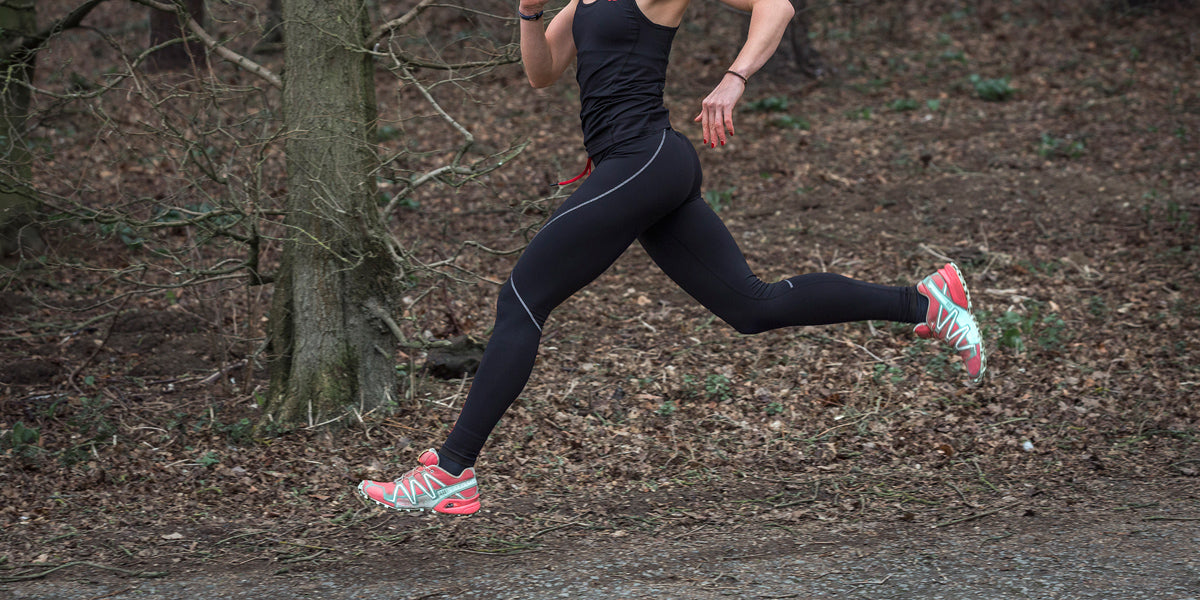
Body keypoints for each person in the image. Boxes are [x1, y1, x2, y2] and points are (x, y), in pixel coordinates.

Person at [359, 0, 986, 515]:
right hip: (637, 167)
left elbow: (777, 6)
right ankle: (924, 300)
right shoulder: (580, 1)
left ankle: (452, 471)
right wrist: (527, 14)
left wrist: (733, 79)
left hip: (646, 158)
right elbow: (542, 72)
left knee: (522, 297)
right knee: (751, 305)